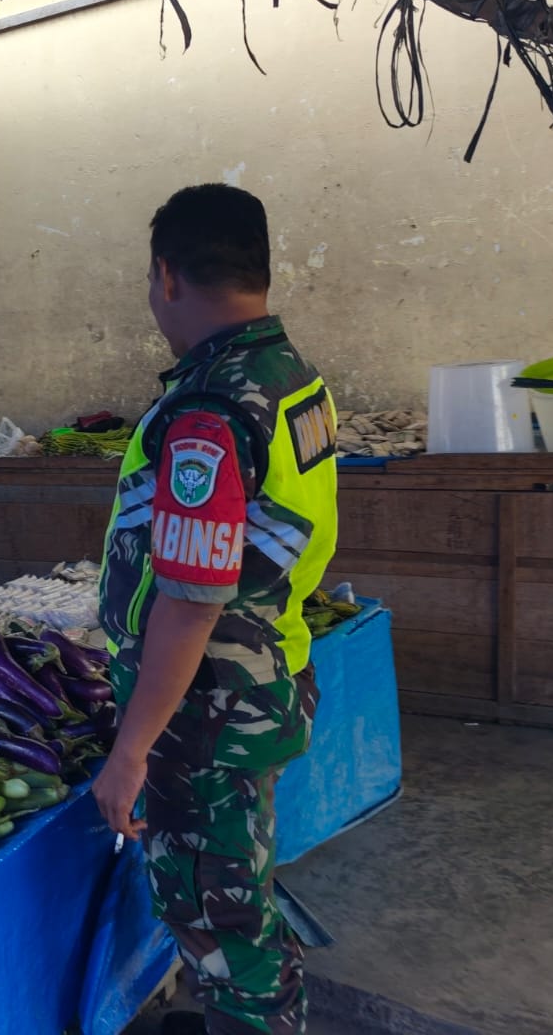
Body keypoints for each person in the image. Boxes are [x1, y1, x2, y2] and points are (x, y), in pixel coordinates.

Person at [92, 185, 338, 1035]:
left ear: (167, 276)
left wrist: (131, 751)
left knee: (219, 921)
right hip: (267, 671)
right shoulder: (292, 377)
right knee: (239, 893)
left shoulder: (211, 409)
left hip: (206, 712)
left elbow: (192, 602)